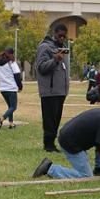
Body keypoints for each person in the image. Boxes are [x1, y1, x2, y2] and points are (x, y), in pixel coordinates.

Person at [32, 104, 100, 179]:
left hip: (69, 136)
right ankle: (50, 169)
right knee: (86, 176)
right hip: (70, 142)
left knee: (89, 172)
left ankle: (98, 168)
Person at [35, 23, 70, 152]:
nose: (62, 38)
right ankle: (48, 144)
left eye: (64, 36)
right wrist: (55, 60)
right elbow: (41, 68)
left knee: (56, 119)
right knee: (49, 119)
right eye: (60, 36)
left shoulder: (63, 48)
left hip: (60, 91)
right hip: (49, 91)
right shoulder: (45, 47)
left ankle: (52, 143)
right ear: (54, 34)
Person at [0, 48, 22, 129]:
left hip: (2, 88)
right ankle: (0, 120)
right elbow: (17, 76)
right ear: (11, 54)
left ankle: (11, 124)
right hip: (11, 88)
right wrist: (20, 86)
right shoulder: (12, 63)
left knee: (10, 107)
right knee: (13, 107)